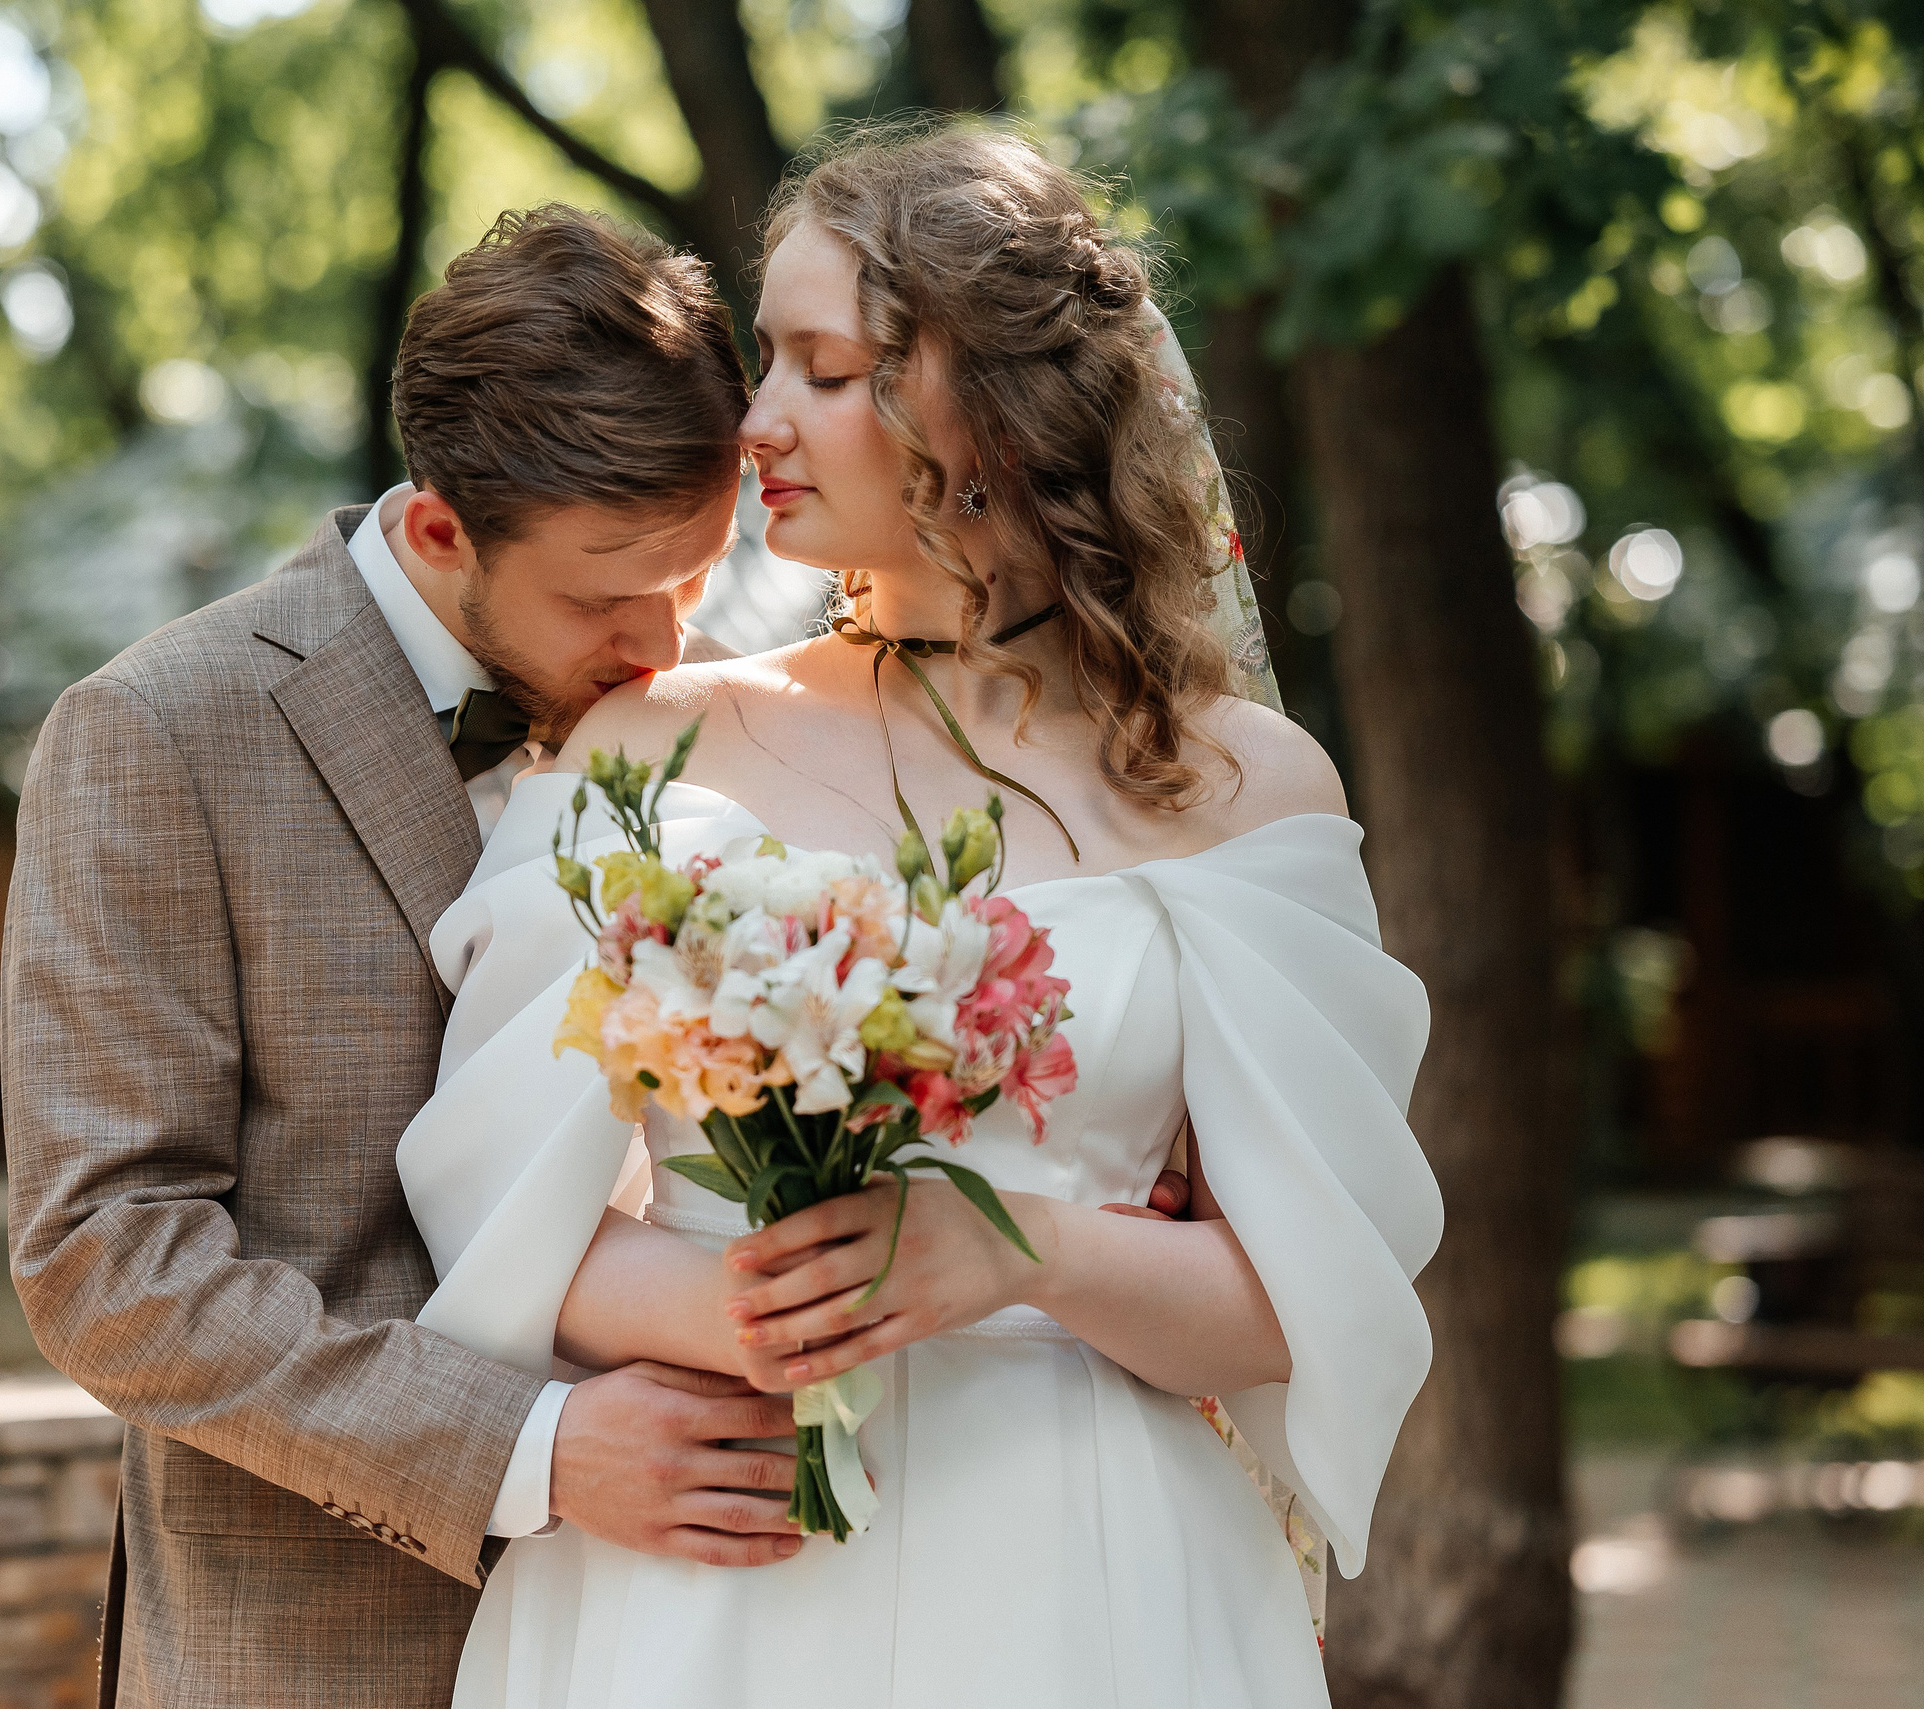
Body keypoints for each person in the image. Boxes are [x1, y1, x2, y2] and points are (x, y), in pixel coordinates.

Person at [399, 126, 1444, 1706]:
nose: (755, 423)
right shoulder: (647, 745)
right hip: (701, 1573)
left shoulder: (1243, 784)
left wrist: (1007, 1252)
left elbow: (1294, 1304)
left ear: (1001, 406)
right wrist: (768, 1305)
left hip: (1091, 1584)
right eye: (766, 362)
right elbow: (495, 1222)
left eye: (822, 368)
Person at [4, 207, 828, 1709]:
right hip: (320, 1651)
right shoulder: (155, 734)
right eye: (602, 593)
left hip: (687, 1632)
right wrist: (531, 1447)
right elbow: (106, 1263)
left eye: (697, 578)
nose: (662, 645)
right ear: (441, 527)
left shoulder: (721, 725)